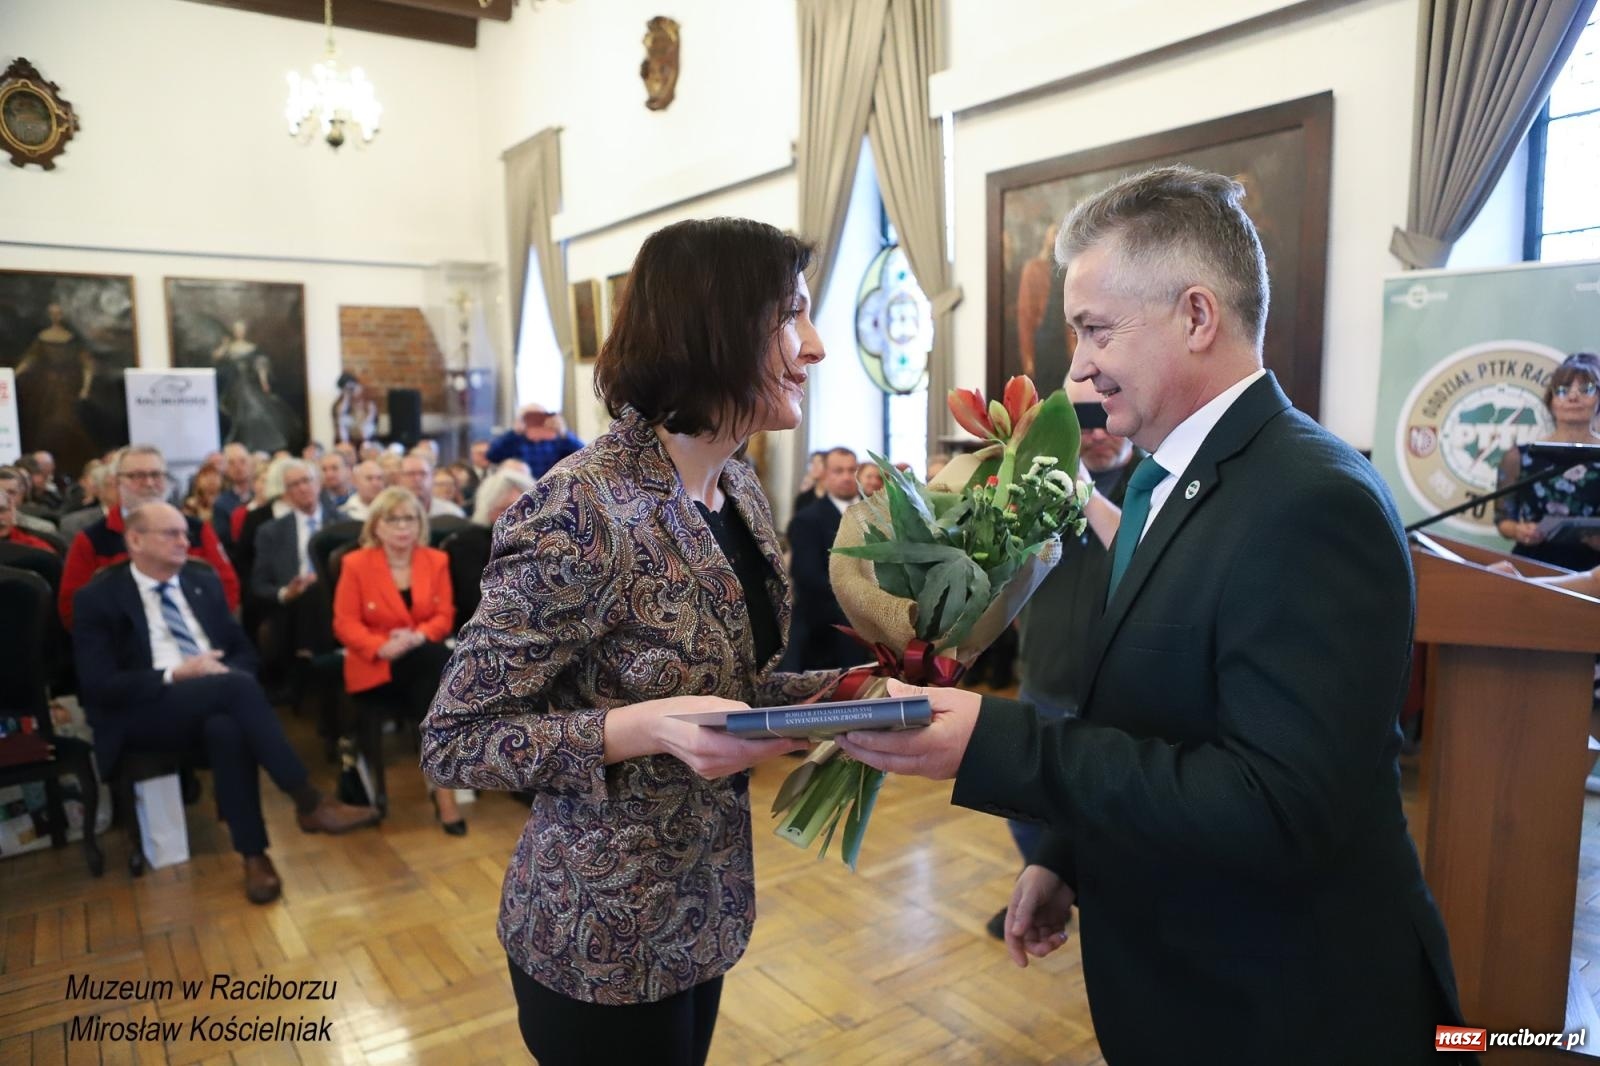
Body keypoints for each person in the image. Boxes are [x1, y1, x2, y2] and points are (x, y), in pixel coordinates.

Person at [837, 166, 1464, 1065]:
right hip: (1185, 987)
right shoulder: (1161, 480)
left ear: (1197, 317)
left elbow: (1277, 805)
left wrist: (997, 745)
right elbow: (1146, 707)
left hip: (1286, 1009)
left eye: (1096, 330)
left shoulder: (1309, 501)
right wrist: (1065, 855)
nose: (1077, 366)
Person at [421, 217, 841, 1066]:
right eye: (791, 315)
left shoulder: (740, 485)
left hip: (702, 907)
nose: (816, 345)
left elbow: (731, 692)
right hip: (597, 934)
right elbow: (455, 741)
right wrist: (641, 729)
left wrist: (861, 698)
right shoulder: (582, 510)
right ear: (713, 328)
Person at [72, 502, 379, 902]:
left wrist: (214, 674)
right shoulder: (98, 598)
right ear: (135, 540)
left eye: (186, 533)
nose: (186, 541)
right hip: (143, 707)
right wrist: (174, 674)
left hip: (213, 696)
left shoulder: (202, 580)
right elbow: (99, 685)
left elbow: (243, 653)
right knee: (235, 689)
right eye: (172, 534)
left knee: (228, 727)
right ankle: (308, 801)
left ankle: (255, 858)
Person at [982, 376, 1138, 939]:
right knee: (1023, 801)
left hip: (1111, 691)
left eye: (1104, 417)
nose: (1095, 432)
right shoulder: (1041, 488)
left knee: (1104, 810)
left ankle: (1097, 902)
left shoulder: (1151, 481)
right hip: (1044, 675)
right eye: (1082, 421)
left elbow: (1139, 552)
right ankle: (1043, 881)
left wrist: (1086, 493)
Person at [331, 488, 461, 831]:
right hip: (376, 666)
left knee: (428, 675)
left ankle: (442, 787)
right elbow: (344, 623)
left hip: (420, 661)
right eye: (393, 519)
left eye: (410, 518)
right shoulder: (355, 564)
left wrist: (416, 637)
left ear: (419, 523)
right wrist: (380, 645)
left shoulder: (435, 560)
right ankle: (445, 786)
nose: (402, 526)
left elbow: (444, 615)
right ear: (376, 526)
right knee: (440, 669)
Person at [59, 446, 241, 629]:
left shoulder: (196, 530)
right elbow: (72, 608)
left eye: (156, 475)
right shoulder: (91, 540)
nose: (148, 483)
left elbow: (227, 587)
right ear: (117, 483)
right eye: (136, 476)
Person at [1495, 352, 1600, 572]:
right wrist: (1519, 530)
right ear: (1551, 401)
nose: (1573, 397)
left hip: (1594, 572)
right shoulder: (1519, 455)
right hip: (1532, 563)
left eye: (1586, 390)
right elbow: (1503, 519)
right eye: (1562, 390)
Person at [782, 447, 865, 671]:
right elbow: (806, 575)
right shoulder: (807, 519)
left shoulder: (875, 513)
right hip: (830, 624)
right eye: (838, 471)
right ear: (825, 474)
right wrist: (858, 594)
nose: (847, 477)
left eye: (852, 470)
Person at [444, 467, 535, 629]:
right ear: (489, 509)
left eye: (526, 507)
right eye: (508, 507)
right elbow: (475, 602)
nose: (519, 515)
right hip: (484, 630)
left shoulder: (540, 540)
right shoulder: (466, 545)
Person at [213, 319, 303, 454]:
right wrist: (225, 344)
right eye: (236, 329)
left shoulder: (252, 347)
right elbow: (216, 357)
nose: (239, 332)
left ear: (245, 331)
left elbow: (260, 367)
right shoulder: (229, 347)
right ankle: (240, 444)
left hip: (250, 384)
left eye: (241, 329)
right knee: (239, 413)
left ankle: (262, 443)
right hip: (234, 385)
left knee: (256, 409)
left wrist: (264, 383)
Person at [486, 403, 584, 479]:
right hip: (520, 488)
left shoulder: (557, 440)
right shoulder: (514, 439)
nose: (536, 420)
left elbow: (583, 456)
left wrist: (564, 433)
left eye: (540, 416)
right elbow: (492, 455)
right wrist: (514, 433)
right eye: (530, 417)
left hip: (550, 488)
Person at [212, 443, 256, 545]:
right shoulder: (221, 504)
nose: (238, 467)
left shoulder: (263, 496)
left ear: (251, 464)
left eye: (243, 461)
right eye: (231, 463)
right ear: (225, 469)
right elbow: (225, 539)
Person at [331, 372, 379, 449]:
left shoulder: (367, 400)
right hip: (349, 435)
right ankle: (346, 446)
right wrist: (346, 397)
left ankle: (364, 445)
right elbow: (338, 416)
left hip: (365, 432)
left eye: (352, 387)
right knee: (342, 420)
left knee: (366, 428)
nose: (351, 390)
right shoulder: (341, 401)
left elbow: (372, 417)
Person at [792, 449, 827, 517]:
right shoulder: (804, 497)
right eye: (812, 462)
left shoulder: (835, 496)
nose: (815, 466)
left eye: (820, 462)